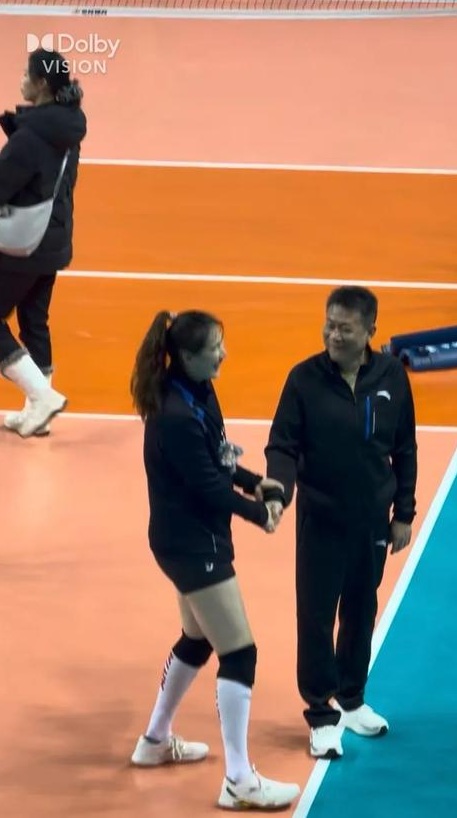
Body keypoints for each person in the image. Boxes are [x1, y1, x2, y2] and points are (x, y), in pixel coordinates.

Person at [130, 309, 299, 811]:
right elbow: (206, 485)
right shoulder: (175, 416)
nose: (223, 354)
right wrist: (259, 513)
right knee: (239, 652)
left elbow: (219, 456)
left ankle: (154, 741)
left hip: (186, 540)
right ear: (187, 356)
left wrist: (255, 482)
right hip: (191, 545)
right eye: (214, 348)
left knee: (198, 637)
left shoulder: (198, 391)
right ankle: (239, 780)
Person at [265, 285, 418, 759]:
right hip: (321, 521)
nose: (333, 335)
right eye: (329, 325)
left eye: (345, 328)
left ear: (370, 330)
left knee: (361, 610)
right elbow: (282, 445)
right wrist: (278, 492)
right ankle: (320, 714)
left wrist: (404, 513)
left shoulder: (392, 375)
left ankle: (351, 700)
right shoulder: (303, 379)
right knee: (315, 617)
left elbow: (405, 447)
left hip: (372, 522)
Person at [0, 48, 87, 438]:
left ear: (42, 84)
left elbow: (0, 186)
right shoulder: (69, 127)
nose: (21, 80)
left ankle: (41, 395)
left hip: (23, 244)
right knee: (34, 319)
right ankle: (38, 411)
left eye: (26, 74)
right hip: (54, 239)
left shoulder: (32, 137)